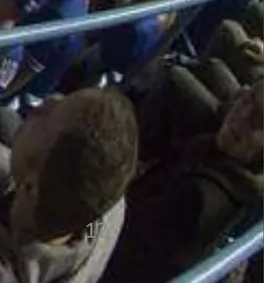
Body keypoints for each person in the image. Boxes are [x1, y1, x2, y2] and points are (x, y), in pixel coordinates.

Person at [0, 88, 136, 283]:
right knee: (5, 119)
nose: (47, 101)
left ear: (30, 187)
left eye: (48, 115)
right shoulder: (104, 215)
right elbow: (44, 193)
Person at [109, 77, 263, 280]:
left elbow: (112, 243)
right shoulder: (211, 149)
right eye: (247, 99)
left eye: (259, 120)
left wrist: (95, 212)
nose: (242, 116)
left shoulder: (198, 198)